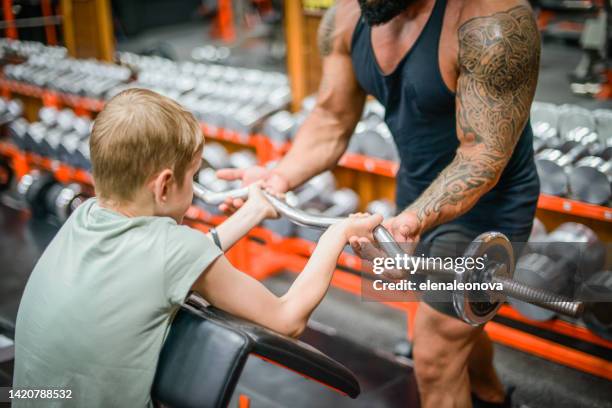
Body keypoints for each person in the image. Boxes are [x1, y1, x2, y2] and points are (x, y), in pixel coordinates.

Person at [218, 0, 541, 407]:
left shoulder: (491, 22)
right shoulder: (347, 18)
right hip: (416, 194)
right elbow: (333, 117)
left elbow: (483, 155)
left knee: (435, 356)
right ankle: (493, 397)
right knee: (449, 325)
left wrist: (411, 220)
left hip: (489, 207)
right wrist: (279, 177)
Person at [12, 88, 382, 407]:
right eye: (193, 177)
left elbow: (179, 259)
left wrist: (254, 210)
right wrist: (335, 234)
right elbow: (288, 319)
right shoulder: (172, 250)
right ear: (164, 186)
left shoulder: (88, 215)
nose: (194, 188)